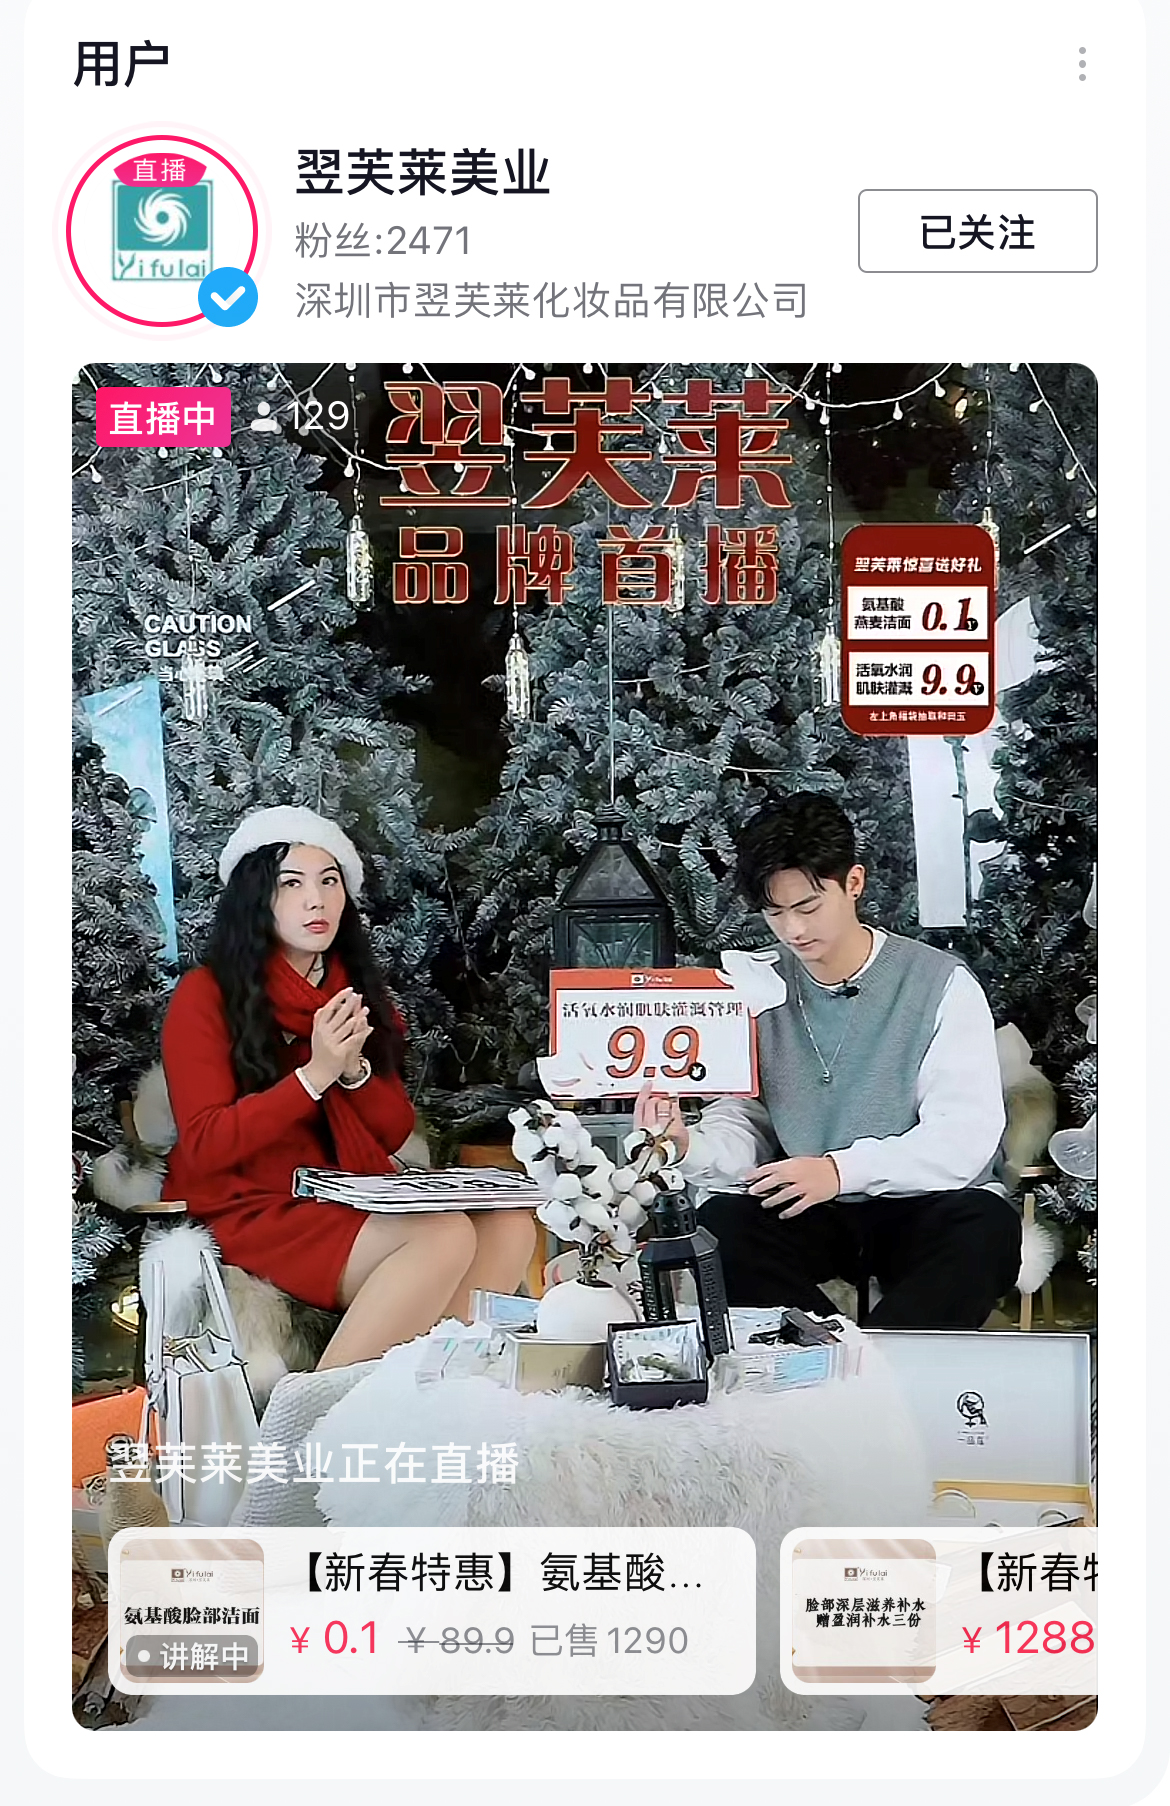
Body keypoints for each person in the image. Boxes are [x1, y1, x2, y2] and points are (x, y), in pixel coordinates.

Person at [161, 806, 534, 1368]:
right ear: (255, 899)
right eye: (291, 884)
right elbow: (206, 1145)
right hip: (252, 1206)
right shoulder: (205, 996)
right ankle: (320, 1409)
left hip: (348, 1194)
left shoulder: (351, 994)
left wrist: (353, 1070)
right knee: (443, 1236)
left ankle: (431, 1393)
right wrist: (314, 1075)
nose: (316, 900)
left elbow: (392, 1130)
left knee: (509, 1225)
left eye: (329, 881)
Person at [634, 792, 1021, 1329]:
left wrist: (840, 1171)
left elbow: (961, 1138)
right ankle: (823, 1348)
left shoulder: (940, 983)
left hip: (921, 1200)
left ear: (853, 883)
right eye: (775, 913)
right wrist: (686, 1144)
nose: (793, 929)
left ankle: (882, 1363)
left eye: (808, 907)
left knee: (986, 1228)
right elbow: (745, 1120)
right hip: (808, 1204)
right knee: (722, 1224)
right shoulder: (755, 985)